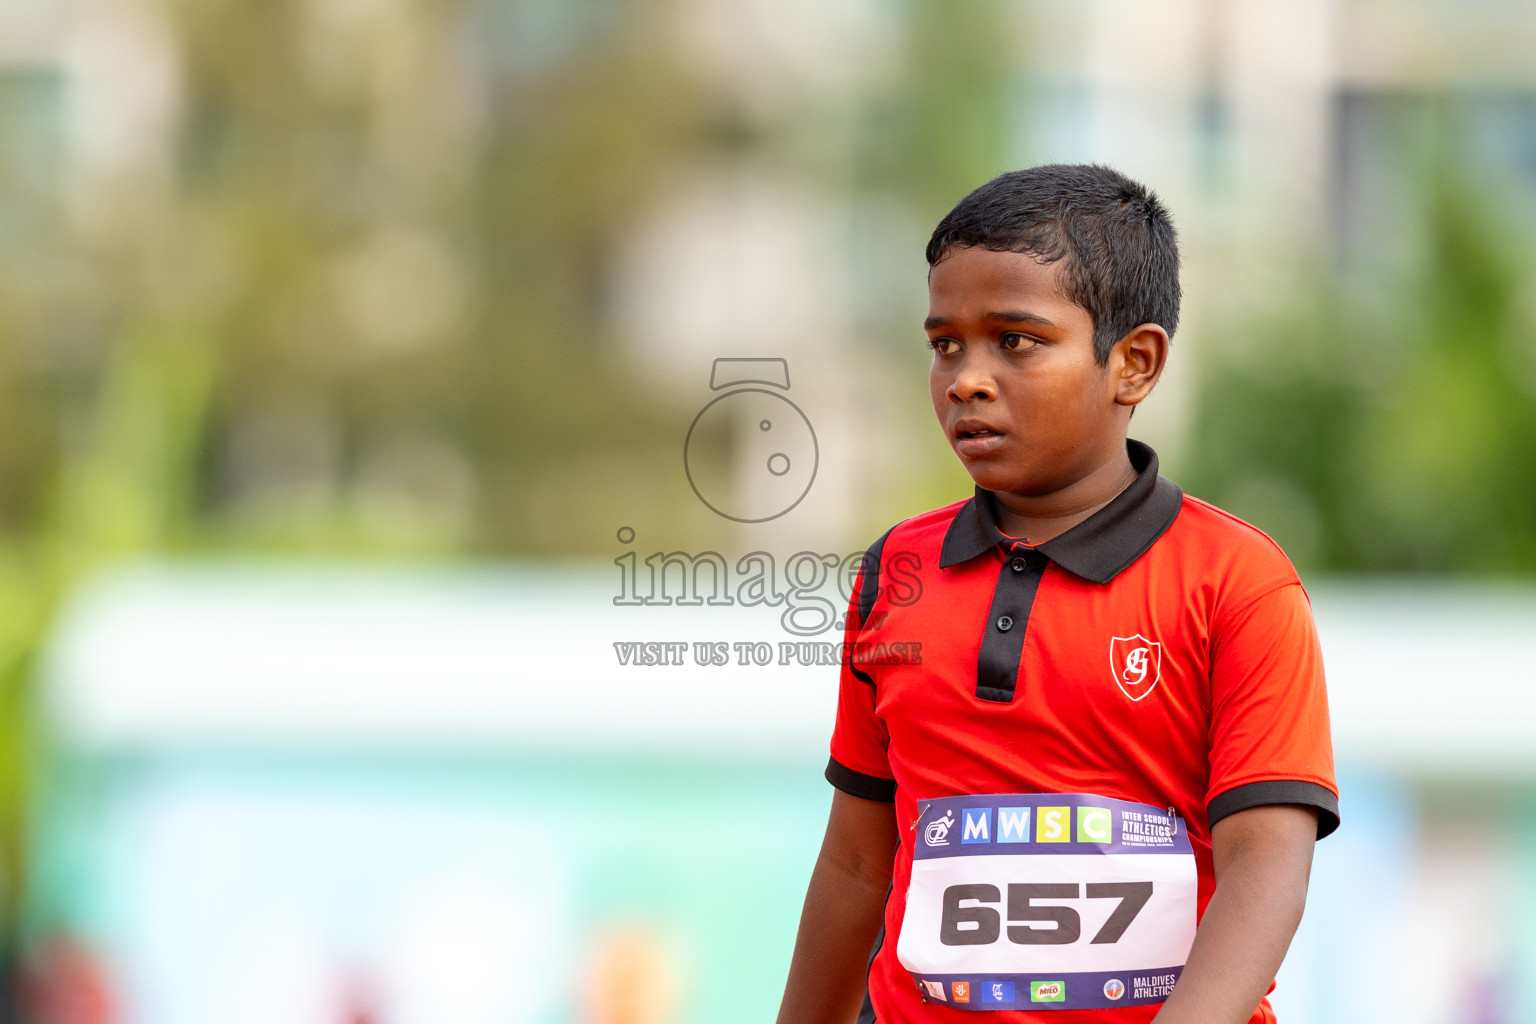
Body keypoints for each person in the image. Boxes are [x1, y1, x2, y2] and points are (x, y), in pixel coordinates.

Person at [775, 164, 1337, 1024]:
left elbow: (1267, 865)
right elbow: (857, 863)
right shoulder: (896, 572)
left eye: (1016, 339)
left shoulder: (1237, 581)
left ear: (1134, 364)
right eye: (944, 344)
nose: (966, 376)